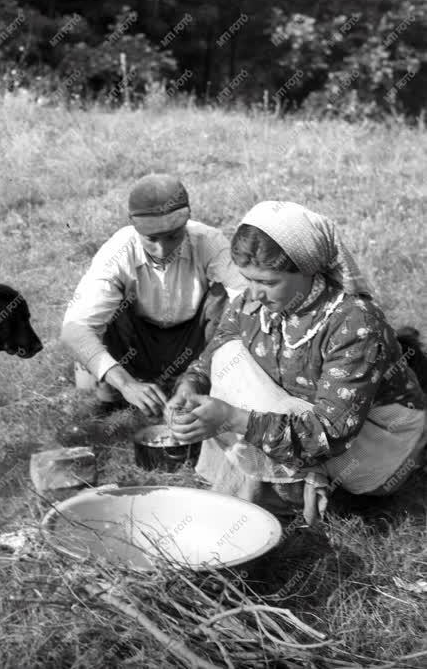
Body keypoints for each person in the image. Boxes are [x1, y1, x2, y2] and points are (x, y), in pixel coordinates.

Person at [168, 200, 427, 524]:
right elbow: (216, 349)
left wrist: (232, 417)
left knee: (256, 401)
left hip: (374, 444)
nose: (255, 293)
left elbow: (330, 433)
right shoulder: (251, 304)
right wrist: (190, 384)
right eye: (248, 279)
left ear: (307, 269)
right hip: (299, 419)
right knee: (229, 357)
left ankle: (293, 490)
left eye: (268, 282)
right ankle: (286, 484)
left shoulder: (352, 322)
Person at [61, 174, 246, 416]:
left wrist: (197, 375)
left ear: (186, 223)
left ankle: (199, 381)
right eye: (152, 239)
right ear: (135, 228)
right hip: (136, 340)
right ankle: (115, 391)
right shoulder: (118, 251)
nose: (162, 249)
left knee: (228, 299)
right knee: (106, 305)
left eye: (173, 236)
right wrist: (126, 384)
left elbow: (247, 296)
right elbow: (74, 329)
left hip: (192, 339)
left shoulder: (207, 240)